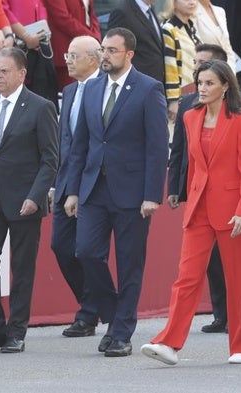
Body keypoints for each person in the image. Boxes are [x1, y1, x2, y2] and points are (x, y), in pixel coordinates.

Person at [140, 59, 241, 365]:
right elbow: (190, 163)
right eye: (200, 82)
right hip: (199, 208)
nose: (201, 89)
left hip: (234, 211)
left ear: (225, 87)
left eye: (209, 83)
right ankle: (169, 343)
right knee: (186, 278)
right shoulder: (191, 117)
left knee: (239, 280)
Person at [64, 27, 169, 357]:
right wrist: (73, 191)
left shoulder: (148, 89)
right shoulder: (92, 88)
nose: (104, 55)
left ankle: (121, 332)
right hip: (93, 189)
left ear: (129, 55)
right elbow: (80, 144)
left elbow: (157, 146)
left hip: (133, 194)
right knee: (85, 252)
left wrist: (153, 194)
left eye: (111, 50)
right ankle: (113, 315)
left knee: (129, 265)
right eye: (103, 49)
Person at [0, 47, 58, 353]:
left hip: (24, 202)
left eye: (4, 71)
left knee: (22, 268)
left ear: (21, 74)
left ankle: (16, 331)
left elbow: (50, 160)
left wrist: (35, 196)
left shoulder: (40, 107)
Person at [167, 43, 231, 334]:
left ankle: (234, 313)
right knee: (206, 261)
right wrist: (173, 188)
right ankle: (221, 314)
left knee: (227, 258)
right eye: (195, 63)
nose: (196, 68)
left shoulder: (239, 108)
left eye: (203, 64)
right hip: (196, 193)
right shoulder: (188, 103)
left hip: (225, 196)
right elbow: (178, 149)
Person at [50, 35, 102, 338]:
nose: (66, 59)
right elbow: (66, 142)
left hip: (94, 183)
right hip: (66, 180)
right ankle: (91, 303)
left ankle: (89, 312)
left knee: (88, 250)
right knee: (60, 245)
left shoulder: (104, 89)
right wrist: (59, 184)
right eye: (67, 54)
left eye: (73, 55)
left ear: (93, 59)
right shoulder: (69, 91)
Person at [2, 0, 59, 111]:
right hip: (17, 43)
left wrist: (43, 29)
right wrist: (25, 35)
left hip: (39, 41)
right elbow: (4, 9)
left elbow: (40, 5)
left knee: (43, 90)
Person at [42, 0, 101, 89]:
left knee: (92, 90)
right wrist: (91, 37)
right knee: (72, 93)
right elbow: (62, 18)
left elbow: (91, 14)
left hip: (88, 49)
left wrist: (96, 35)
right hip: (65, 50)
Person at [161, 0, 202, 121]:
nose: (191, 2)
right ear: (173, 3)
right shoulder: (169, 28)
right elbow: (170, 66)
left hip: (196, 91)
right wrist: (173, 100)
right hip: (181, 94)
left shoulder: (191, 25)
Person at [107, 0, 165, 84]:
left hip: (155, 81)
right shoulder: (122, 12)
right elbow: (115, 50)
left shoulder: (150, 9)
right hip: (136, 84)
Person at [194, 0, 235, 71]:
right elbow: (196, 47)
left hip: (226, 71)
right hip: (204, 71)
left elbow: (227, 48)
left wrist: (230, 73)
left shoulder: (220, 11)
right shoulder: (192, 12)